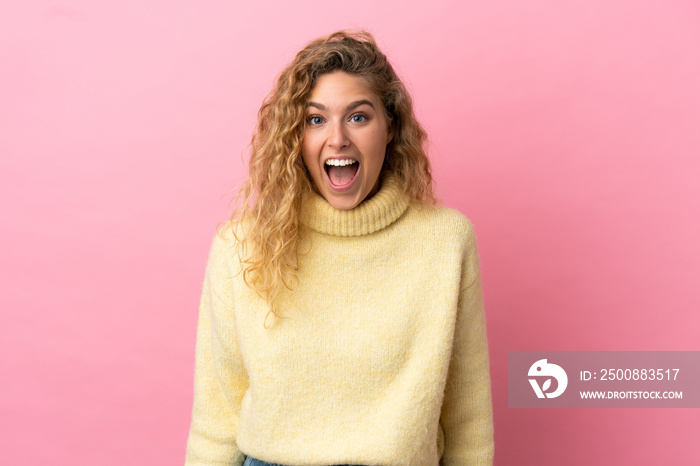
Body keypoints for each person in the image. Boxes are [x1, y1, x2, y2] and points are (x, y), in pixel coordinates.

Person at [185, 30, 494, 466]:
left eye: (358, 117)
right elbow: (216, 422)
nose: (337, 139)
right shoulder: (242, 247)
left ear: (390, 129)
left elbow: (467, 421)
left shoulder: (445, 243)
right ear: (296, 136)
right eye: (315, 119)